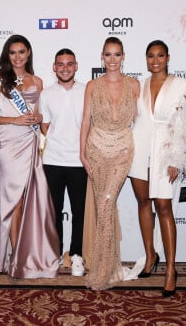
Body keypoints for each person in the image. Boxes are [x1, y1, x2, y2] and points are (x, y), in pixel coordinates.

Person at [0, 34, 59, 279]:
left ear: (28, 54)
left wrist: (36, 118)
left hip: (29, 141)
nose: (17, 57)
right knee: (12, 201)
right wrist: (14, 119)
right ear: (7, 54)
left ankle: (22, 254)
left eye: (21, 52)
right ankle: (13, 255)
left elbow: (39, 114)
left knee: (26, 201)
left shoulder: (37, 81)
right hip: (7, 143)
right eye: (13, 52)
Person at [128, 40, 186, 297]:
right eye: (150, 56)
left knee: (165, 207)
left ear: (168, 57)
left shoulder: (183, 85)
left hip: (166, 152)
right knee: (143, 202)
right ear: (145, 59)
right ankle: (150, 255)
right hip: (140, 149)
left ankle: (171, 269)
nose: (155, 60)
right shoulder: (141, 85)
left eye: (160, 55)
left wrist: (176, 159)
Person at [80, 36, 139, 290]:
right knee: (104, 208)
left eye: (117, 54)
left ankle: (102, 271)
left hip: (122, 150)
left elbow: (142, 121)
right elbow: (85, 121)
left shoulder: (135, 85)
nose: (112, 59)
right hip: (96, 150)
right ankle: (110, 265)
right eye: (108, 55)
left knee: (105, 204)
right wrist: (82, 153)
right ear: (102, 57)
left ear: (123, 56)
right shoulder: (92, 86)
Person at [40, 48, 87, 277]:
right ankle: (56, 254)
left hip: (80, 162)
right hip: (53, 161)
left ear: (76, 66)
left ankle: (77, 255)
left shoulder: (87, 91)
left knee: (79, 212)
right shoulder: (46, 94)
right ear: (54, 67)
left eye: (70, 64)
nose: (65, 68)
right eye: (61, 64)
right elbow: (45, 126)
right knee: (54, 212)